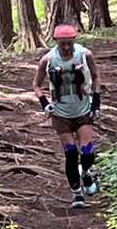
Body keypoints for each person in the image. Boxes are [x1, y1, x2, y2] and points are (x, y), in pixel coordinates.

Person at [32, 24, 101, 207]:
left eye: (69, 43)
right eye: (62, 43)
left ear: (74, 41)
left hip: (83, 110)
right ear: (56, 41)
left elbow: (95, 77)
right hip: (61, 114)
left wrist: (96, 101)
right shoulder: (47, 60)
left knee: (87, 153)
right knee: (71, 154)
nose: (66, 47)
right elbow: (36, 84)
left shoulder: (85, 55)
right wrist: (44, 103)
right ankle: (77, 193)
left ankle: (85, 173)